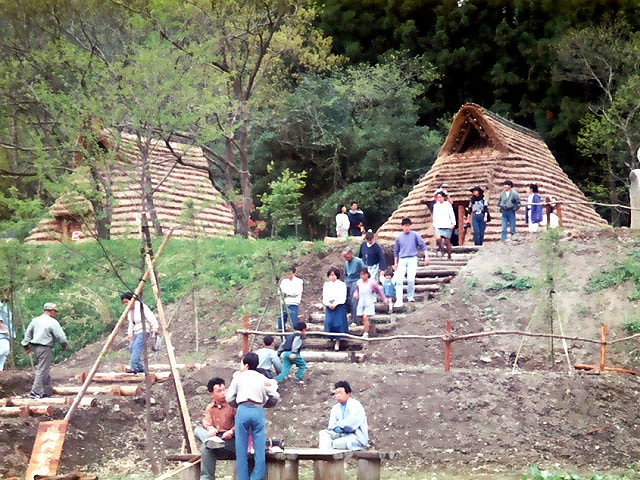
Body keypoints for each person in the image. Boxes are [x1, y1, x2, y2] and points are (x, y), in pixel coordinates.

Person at [226, 352, 280, 480]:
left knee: (241, 449)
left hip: (243, 410)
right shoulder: (262, 378)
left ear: (246, 365)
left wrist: (238, 404)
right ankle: (256, 477)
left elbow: (229, 398)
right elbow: (275, 396)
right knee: (260, 447)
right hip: (257, 410)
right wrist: (265, 404)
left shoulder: (238, 377)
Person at [21, 302, 69, 398]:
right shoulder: (52, 322)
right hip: (44, 347)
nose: (54, 313)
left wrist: (26, 346)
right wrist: (64, 345)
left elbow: (28, 334)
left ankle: (46, 391)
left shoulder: (35, 320)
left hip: (35, 347)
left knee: (44, 368)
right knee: (42, 369)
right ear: (51, 311)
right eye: (54, 312)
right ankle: (35, 391)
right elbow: (61, 336)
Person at [194, 377, 237, 480]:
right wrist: (210, 429)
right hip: (215, 439)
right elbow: (207, 422)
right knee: (198, 431)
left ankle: (212, 442)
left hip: (231, 441)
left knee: (206, 447)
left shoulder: (233, 405)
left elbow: (241, 423)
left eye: (224, 390)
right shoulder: (210, 407)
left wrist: (231, 431)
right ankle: (212, 442)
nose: (223, 393)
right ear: (211, 394)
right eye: (219, 391)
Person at [318, 380, 369, 451]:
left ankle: (328, 452)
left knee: (335, 443)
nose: (338, 395)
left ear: (348, 394)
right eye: (336, 393)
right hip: (340, 434)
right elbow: (331, 425)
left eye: (340, 393)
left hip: (355, 436)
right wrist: (337, 427)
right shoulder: (335, 408)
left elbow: (350, 424)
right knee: (323, 434)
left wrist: (339, 426)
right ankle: (325, 456)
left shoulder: (355, 405)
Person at [393, 218, 428, 307]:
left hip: (412, 258)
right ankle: (399, 299)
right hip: (402, 259)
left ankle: (410, 296)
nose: (407, 228)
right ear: (402, 226)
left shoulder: (415, 235)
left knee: (410, 279)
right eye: (405, 226)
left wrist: (426, 256)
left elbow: (423, 246)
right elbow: (396, 251)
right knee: (399, 280)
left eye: (408, 226)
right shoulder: (399, 237)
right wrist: (396, 263)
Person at [121, 292, 159, 374]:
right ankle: (140, 367)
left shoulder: (141, 306)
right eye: (124, 303)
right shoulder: (130, 311)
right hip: (136, 332)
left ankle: (134, 367)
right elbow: (131, 323)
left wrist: (155, 327)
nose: (125, 304)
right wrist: (130, 333)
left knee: (136, 348)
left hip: (144, 331)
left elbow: (151, 317)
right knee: (131, 348)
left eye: (126, 302)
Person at [353, 268, 387, 338]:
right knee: (360, 316)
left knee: (365, 316)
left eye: (364, 274)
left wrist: (384, 299)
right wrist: (356, 293)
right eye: (361, 275)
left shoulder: (372, 282)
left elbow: (379, 291)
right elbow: (357, 289)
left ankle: (366, 333)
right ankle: (367, 327)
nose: (362, 276)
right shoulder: (359, 282)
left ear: (367, 274)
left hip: (369, 301)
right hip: (361, 301)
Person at [322, 267, 349, 351]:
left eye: (333, 275)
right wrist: (328, 303)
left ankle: (338, 341)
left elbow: (342, 296)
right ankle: (331, 338)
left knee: (338, 324)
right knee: (329, 322)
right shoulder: (326, 285)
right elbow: (325, 296)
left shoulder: (342, 285)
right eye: (330, 275)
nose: (332, 277)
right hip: (329, 306)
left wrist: (335, 304)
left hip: (339, 306)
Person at [277, 266, 303, 332]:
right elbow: (279, 292)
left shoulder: (299, 281)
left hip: (293, 304)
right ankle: (284, 339)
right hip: (284, 304)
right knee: (280, 324)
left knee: (294, 324)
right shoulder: (283, 281)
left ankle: (296, 339)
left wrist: (286, 294)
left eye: (290, 273)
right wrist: (285, 294)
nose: (289, 275)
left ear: (294, 273)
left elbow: (296, 292)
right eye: (287, 273)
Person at [342, 247, 365, 320]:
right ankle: (347, 315)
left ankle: (355, 319)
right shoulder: (346, 263)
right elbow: (345, 274)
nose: (345, 258)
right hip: (347, 281)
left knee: (353, 300)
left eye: (346, 256)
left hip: (356, 280)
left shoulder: (358, 261)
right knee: (344, 298)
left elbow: (364, 270)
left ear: (351, 254)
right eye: (344, 257)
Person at [432, 191, 456, 259]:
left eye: (440, 197)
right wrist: (434, 224)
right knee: (438, 239)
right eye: (438, 197)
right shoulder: (436, 205)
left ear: (443, 197)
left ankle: (449, 255)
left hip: (447, 224)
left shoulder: (448, 204)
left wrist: (453, 223)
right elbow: (434, 215)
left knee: (447, 241)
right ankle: (441, 249)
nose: (439, 198)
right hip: (438, 224)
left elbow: (451, 214)